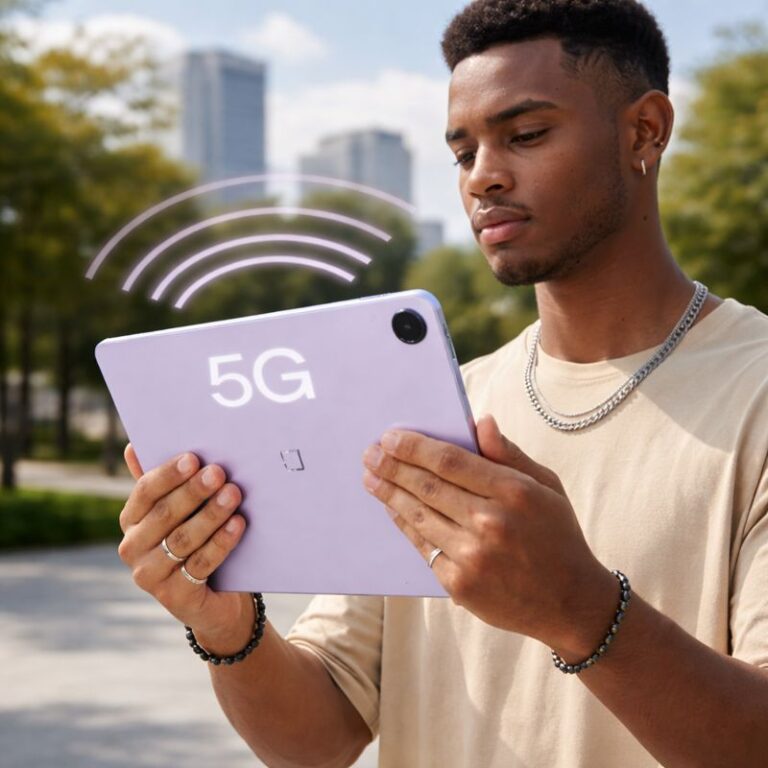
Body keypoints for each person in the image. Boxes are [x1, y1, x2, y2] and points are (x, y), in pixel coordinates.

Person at [117, 1, 768, 766]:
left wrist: (582, 609)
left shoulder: (753, 389)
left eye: (527, 135)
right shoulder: (427, 407)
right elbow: (319, 739)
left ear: (644, 131)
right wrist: (230, 631)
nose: (483, 176)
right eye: (463, 153)